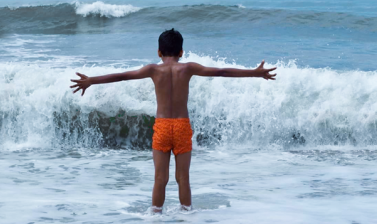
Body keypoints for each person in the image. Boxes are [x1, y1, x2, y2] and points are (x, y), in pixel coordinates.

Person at [70, 28, 277, 213]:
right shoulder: (187, 68)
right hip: (181, 127)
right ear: (181, 52)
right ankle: (187, 216)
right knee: (183, 178)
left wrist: (91, 81)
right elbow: (221, 72)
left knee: (160, 179)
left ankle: (155, 217)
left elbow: (123, 76)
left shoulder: (153, 69)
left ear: (159, 52)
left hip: (161, 127)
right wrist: (255, 73)